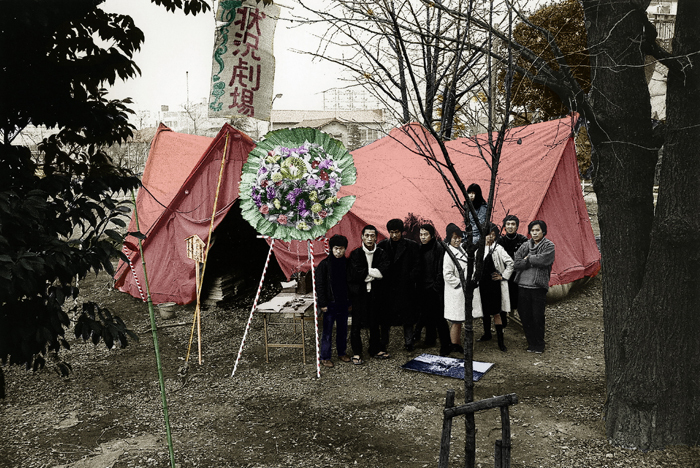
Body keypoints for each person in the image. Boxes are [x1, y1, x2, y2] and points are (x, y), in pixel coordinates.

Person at [347, 225, 390, 363]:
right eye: (367, 235)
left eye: (372, 236)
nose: (370, 238)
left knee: (375, 321)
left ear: (376, 237)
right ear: (362, 237)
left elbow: (383, 272)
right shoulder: (356, 254)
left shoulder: (381, 253)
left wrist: (366, 272)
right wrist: (373, 273)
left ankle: (375, 349)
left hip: (376, 293)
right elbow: (355, 274)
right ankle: (357, 352)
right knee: (356, 324)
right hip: (359, 294)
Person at [377, 218, 420, 352]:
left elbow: (417, 265)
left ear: (402, 231)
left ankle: (409, 342)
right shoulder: (382, 246)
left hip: (405, 287)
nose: (394, 235)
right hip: (387, 287)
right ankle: (383, 343)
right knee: (385, 317)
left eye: (397, 232)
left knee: (408, 317)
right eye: (391, 232)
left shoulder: (412, 246)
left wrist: (409, 278)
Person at [514, 220, 555, 354]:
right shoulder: (525, 245)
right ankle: (531, 342)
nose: (535, 233)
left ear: (543, 231)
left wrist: (528, 259)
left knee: (537, 316)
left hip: (538, 287)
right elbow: (517, 262)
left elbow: (544, 260)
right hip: (523, 285)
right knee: (525, 315)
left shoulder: (549, 246)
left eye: (537, 230)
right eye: (532, 230)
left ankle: (539, 344)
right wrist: (528, 261)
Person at [473, 223, 514, 352]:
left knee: (496, 312)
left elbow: (511, 263)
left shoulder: (499, 249)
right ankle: (487, 334)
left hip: (495, 285)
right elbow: (475, 267)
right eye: (488, 235)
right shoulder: (478, 250)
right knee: (485, 310)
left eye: (493, 235)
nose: (490, 237)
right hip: (483, 285)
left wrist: (503, 276)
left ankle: (501, 341)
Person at [414, 224, 451, 356]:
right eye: (421, 235)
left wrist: (436, 287)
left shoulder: (439, 248)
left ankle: (446, 345)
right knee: (427, 315)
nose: (423, 237)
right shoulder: (420, 248)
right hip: (423, 287)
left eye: (425, 235)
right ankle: (430, 340)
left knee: (439, 318)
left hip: (434, 288)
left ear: (432, 235)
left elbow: (441, 268)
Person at [443, 223, 480, 355]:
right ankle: (454, 344)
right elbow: (447, 275)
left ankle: (457, 343)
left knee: (461, 318)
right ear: (449, 239)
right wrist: (461, 283)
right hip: (456, 291)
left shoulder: (462, 250)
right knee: (456, 320)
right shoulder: (449, 254)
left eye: (459, 237)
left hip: (465, 290)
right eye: (454, 238)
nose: (457, 240)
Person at [316, 234, 352, 368]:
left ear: (345, 249)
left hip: (343, 303)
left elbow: (349, 284)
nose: (338, 251)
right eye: (336, 248)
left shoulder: (347, 264)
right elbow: (320, 285)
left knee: (342, 329)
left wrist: (349, 302)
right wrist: (323, 303)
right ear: (331, 249)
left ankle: (342, 352)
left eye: (341, 249)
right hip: (329, 304)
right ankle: (325, 357)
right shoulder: (324, 265)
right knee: (327, 331)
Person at [497, 214, 528, 323]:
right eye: (508, 224)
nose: (510, 226)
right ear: (505, 226)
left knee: (519, 297)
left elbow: (527, 256)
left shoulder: (523, 240)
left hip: (519, 273)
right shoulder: (500, 241)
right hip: (504, 273)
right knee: (504, 295)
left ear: (517, 227)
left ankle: (521, 318)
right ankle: (504, 320)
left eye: (513, 224)